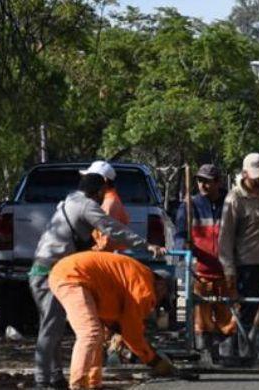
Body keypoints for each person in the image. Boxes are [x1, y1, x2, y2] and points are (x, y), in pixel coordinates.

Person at [28, 161, 165, 390]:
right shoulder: (86, 205)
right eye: (105, 191)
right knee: (55, 329)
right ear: (101, 189)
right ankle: (42, 381)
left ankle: (55, 378)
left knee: (56, 328)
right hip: (51, 270)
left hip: (55, 268)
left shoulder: (70, 200)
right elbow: (112, 228)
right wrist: (145, 245)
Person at [48, 251, 175, 388]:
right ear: (161, 286)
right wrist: (154, 360)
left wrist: (117, 327)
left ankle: (93, 384)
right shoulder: (145, 289)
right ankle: (78, 385)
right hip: (73, 276)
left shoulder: (137, 278)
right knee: (90, 333)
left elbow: (115, 315)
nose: (156, 304)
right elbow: (132, 334)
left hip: (73, 274)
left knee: (97, 335)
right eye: (161, 299)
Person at [218, 153, 259, 358]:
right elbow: (225, 240)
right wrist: (229, 271)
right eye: (255, 177)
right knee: (248, 310)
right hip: (248, 264)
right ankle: (245, 350)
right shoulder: (234, 199)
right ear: (245, 174)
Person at [173, 163, 235, 358]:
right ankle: (204, 351)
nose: (203, 185)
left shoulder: (230, 203)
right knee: (201, 315)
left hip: (227, 270)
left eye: (208, 182)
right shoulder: (189, 205)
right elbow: (180, 235)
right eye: (200, 181)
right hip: (201, 272)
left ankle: (227, 352)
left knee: (228, 315)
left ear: (218, 183)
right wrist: (183, 246)